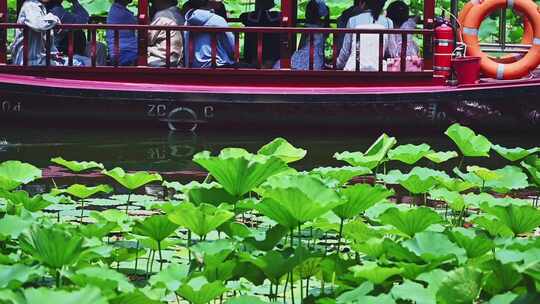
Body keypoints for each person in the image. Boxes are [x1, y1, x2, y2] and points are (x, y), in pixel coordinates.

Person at [10, 0, 85, 65]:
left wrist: (56, 56)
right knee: (80, 63)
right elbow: (39, 24)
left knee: (81, 61)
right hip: (31, 62)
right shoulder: (30, 5)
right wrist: (55, 19)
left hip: (41, 59)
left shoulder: (42, 8)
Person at [336, 0, 393, 71]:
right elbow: (391, 51)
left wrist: (337, 65)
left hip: (354, 68)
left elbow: (345, 51)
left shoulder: (353, 20)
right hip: (379, 69)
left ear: (362, 3)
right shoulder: (388, 22)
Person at [46, 0, 107, 65]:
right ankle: (96, 74)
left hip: (75, 48)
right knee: (90, 63)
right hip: (62, 53)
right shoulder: (55, 10)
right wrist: (74, 2)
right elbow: (83, 19)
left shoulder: (57, 7)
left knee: (100, 47)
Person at [274, 0, 329, 70]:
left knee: (280, 65)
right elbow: (322, 46)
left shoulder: (307, 27)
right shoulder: (324, 27)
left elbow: (301, 45)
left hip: (306, 55)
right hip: (318, 58)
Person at [184, 0, 235, 68]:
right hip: (216, 65)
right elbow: (233, 47)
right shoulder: (218, 20)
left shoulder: (187, 22)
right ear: (209, 2)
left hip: (193, 66)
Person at [240, 0, 281, 67]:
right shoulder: (277, 16)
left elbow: (242, 17)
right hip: (271, 53)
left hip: (253, 53)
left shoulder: (248, 16)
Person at [148, 0, 184, 66]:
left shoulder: (162, 14)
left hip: (161, 58)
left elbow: (148, 39)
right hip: (176, 58)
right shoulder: (178, 13)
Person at [106, 0, 138, 66]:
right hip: (124, 53)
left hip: (122, 51)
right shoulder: (121, 12)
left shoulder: (116, 9)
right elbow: (140, 23)